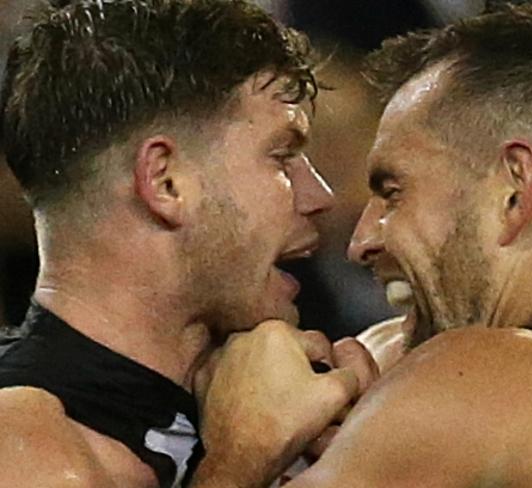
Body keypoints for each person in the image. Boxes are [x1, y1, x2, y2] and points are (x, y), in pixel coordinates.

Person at [0, 1, 378, 487]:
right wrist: (242, 460)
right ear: (166, 182)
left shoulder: (293, 412)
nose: (318, 197)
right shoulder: (25, 448)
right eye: (283, 156)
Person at [284, 1, 532, 487]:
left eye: (393, 192)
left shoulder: (485, 374)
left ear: (514, 190)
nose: (362, 241)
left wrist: (243, 442)